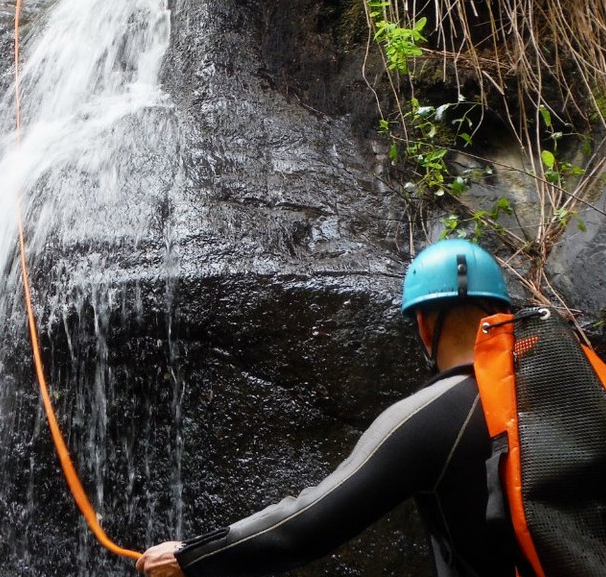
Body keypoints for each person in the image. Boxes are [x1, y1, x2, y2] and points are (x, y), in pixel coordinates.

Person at [137, 238, 518, 577]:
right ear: (502, 312)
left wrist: (192, 557)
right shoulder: (560, 382)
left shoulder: (432, 415)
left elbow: (303, 528)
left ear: (423, 326)